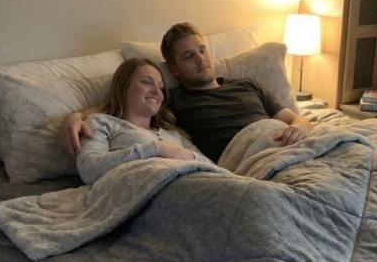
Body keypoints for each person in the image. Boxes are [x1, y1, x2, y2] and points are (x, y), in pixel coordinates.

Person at [62, 22, 312, 162]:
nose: (200, 59)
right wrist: (75, 117)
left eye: (202, 50)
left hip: (289, 145)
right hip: (251, 159)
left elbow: (296, 119)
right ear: (174, 69)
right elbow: (122, 103)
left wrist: (300, 128)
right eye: (189, 56)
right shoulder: (173, 98)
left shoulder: (248, 85)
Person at [74, 58, 207, 185]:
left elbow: (211, 166)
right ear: (124, 86)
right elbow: (88, 169)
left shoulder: (174, 134)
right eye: (147, 82)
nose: (157, 92)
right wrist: (155, 149)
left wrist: (185, 155)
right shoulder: (102, 122)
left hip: (201, 184)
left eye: (161, 87)